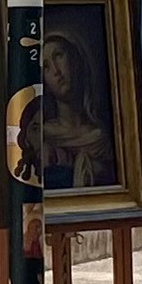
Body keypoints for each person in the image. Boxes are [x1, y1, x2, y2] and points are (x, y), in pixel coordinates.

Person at [39, 31, 115, 189]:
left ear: (76, 60)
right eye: (46, 66)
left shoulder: (102, 138)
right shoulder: (43, 135)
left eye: (59, 56)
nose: (56, 71)